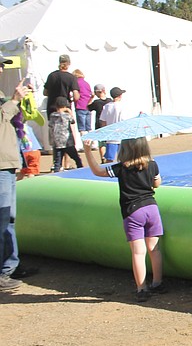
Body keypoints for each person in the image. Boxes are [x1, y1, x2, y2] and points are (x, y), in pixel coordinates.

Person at [83, 137, 165, 302]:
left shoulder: (122, 168)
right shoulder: (152, 164)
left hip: (133, 212)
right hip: (151, 208)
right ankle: (158, 283)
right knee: (154, 249)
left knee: (138, 252)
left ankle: (142, 288)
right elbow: (157, 184)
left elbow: (98, 171)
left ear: (124, 150)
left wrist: (87, 151)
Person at [0, 56, 28, 291]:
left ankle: (10, 266)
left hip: (7, 164)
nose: (1, 68)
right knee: (1, 220)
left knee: (8, 219)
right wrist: (14, 101)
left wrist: (21, 104)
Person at [48, 97, 82, 173]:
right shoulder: (67, 116)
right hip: (67, 141)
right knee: (76, 158)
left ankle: (56, 174)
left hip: (57, 142)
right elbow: (73, 121)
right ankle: (81, 170)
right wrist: (70, 112)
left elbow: (50, 125)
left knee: (57, 161)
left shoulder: (52, 115)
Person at [100, 87, 127, 163]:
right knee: (124, 157)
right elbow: (124, 120)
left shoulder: (107, 106)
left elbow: (103, 121)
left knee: (110, 158)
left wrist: (105, 133)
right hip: (121, 135)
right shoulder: (121, 106)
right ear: (120, 96)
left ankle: (109, 172)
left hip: (111, 136)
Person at [73, 69, 93, 133]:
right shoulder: (86, 83)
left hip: (80, 106)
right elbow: (90, 93)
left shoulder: (76, 83)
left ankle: (84, 142)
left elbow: (76, 95)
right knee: (89, 128)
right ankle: (91, 142)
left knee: (82, 129)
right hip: (87, 106)